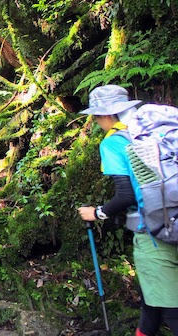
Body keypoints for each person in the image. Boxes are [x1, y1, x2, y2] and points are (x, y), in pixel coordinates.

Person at [77, 85, 178, 336]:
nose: (97, 121)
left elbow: (126, 195)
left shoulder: (113, 143)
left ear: (107, 115)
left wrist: (97, 213)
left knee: (170, 310)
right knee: (151, 300)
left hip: (154, 231)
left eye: (97, 116)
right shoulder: (158, 128)